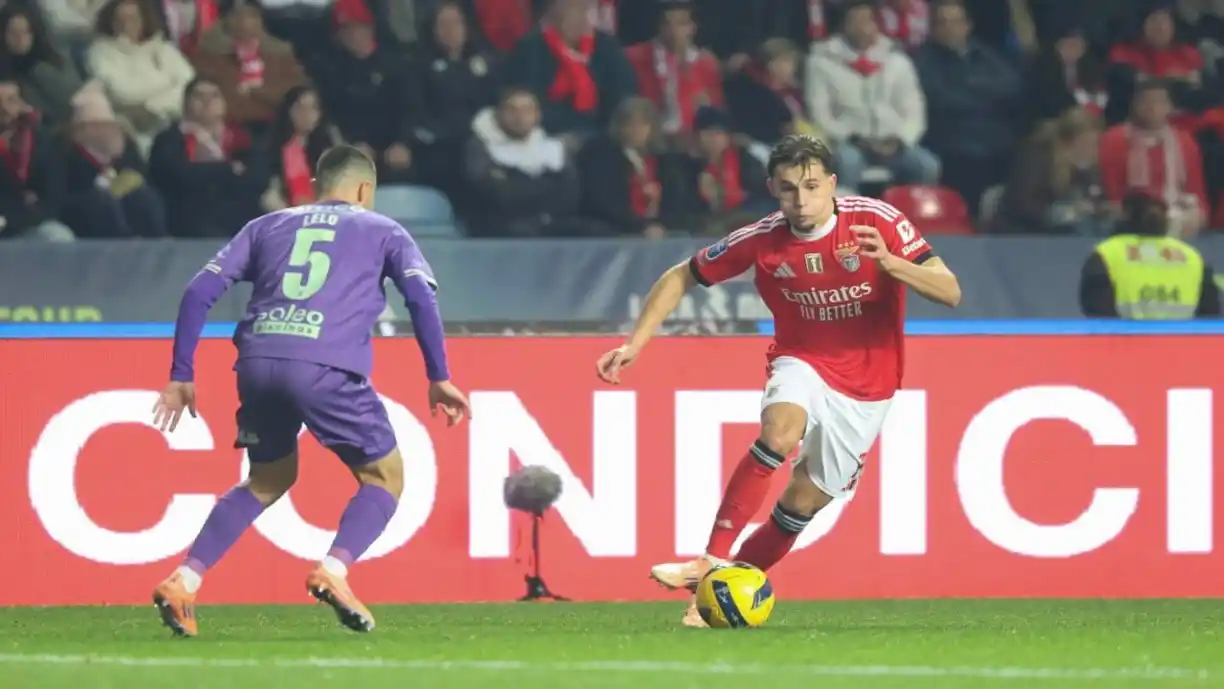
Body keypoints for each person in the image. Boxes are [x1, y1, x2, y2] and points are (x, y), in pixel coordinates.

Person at [594, 134, 961, 628]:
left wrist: (891, 264)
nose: (801, 200)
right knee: (780, 432)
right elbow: (682, 275)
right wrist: (636, 343)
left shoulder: (877, 221)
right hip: (802, 360)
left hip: (869, 385)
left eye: (812, 187)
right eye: (788, 189)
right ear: (773, 188)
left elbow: (950, 291)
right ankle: (711, 559)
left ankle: (714, 597)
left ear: (832, 183)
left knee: (800, 505)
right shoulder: (761, 238)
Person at [148, 144, 471, 637]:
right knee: (384, 476)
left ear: (318, 185)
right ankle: (334, 571)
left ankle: (184, 580)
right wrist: (438, 376)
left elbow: (198, 291)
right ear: (365, 189)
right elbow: (420, 299)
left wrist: (181, 374)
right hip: (326, 365)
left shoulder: (266, 225)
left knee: (268, 478)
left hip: (257, 363)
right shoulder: (384, 230)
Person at [1079, 190, 1220, 319]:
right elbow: (1210, 319)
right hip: (1181, 339)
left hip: (1126, 339)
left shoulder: (1106, 254)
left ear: (1125, 215)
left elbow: (1099, 317)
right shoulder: (1192, 257)